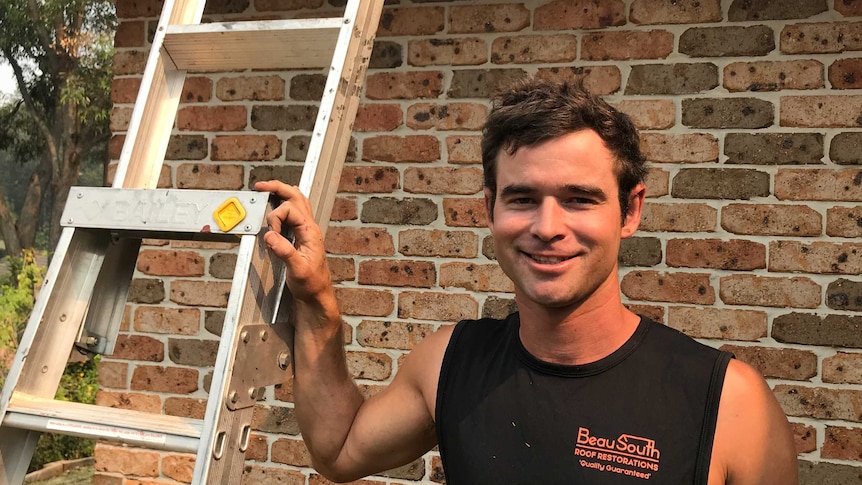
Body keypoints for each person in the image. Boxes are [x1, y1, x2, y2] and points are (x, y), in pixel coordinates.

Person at [255, 78, 798, 484]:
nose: (547, 227)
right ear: (490, 209)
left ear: (630, 212)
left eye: (579, 199)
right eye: (522, 199)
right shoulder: (449, 363)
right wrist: (316, 297)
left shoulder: (728, 401)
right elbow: (339, 450)